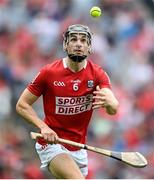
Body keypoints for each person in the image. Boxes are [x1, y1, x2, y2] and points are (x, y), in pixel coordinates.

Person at [16, 24, 119, 179]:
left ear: (89, 47)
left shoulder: (98, 74)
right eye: (74, 40)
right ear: (65, 44)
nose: (78, 44)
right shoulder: (49, 73)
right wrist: (44, 128)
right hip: (52, 145)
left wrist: (112, 104)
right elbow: (22, 105)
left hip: (79, 149)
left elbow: (112, 108)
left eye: (83, 41)